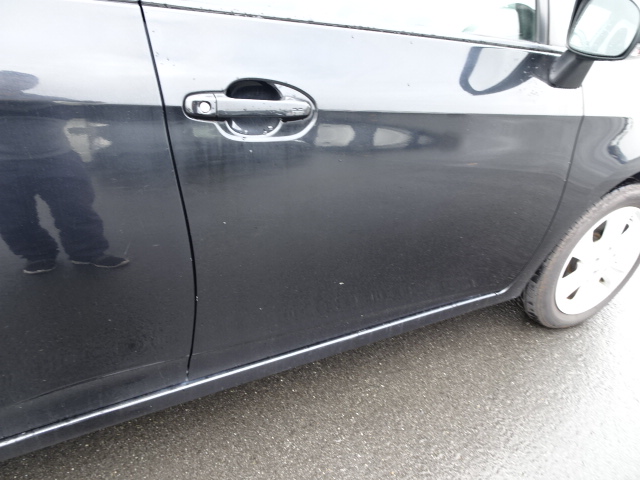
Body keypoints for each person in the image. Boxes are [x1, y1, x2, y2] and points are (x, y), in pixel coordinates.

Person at [0, 70, 129, 274]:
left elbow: (92, 109)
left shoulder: (46, 102)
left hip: (57, 160)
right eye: (4, 83)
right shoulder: (48, 102)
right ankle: (38, 255)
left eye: (13, 83)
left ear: (25, 85)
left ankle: (88, 253)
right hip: (4, 166)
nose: (8, 87)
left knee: (76, 209)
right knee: (12, 218)